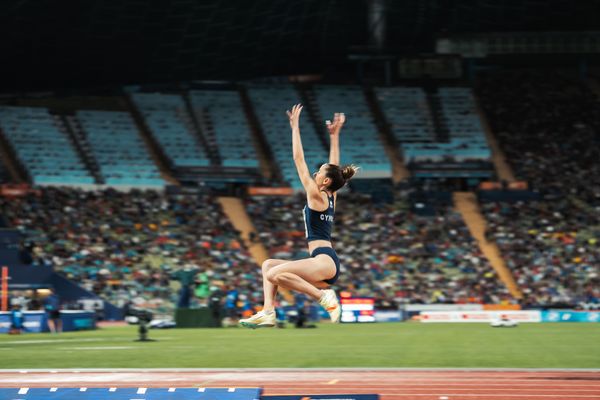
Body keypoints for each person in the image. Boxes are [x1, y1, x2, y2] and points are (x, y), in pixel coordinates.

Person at [240, 104, 358, 328]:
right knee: (267, 266)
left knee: (275, 274)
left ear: (324, 181)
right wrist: (334, 137)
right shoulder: (330, 195)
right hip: (324, 260)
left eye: (320, 171)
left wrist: (295, 127)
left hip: (324, 260)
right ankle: (267, 312)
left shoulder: (316, 195)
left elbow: (298, 161)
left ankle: (324, 297)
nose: (316, 172)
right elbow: (335, 168)